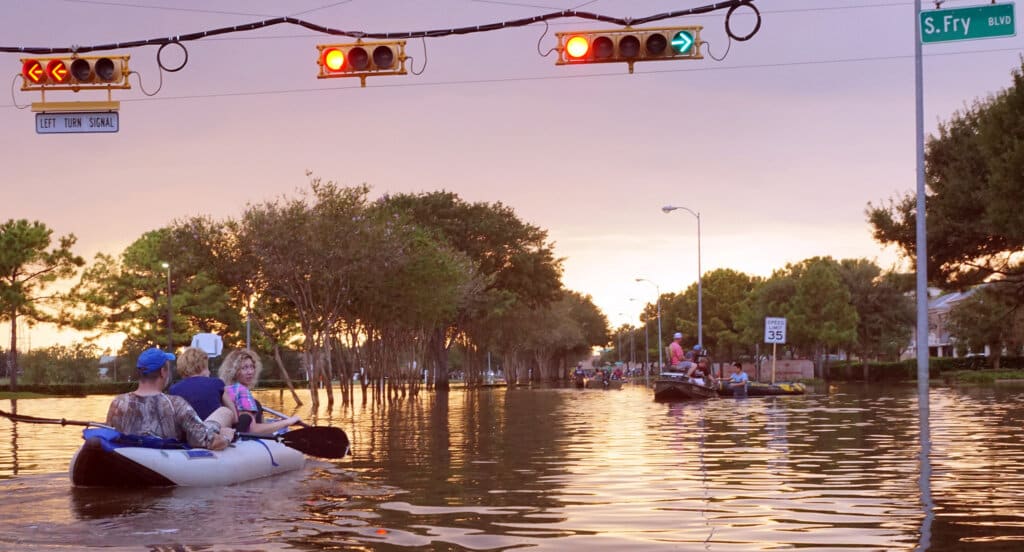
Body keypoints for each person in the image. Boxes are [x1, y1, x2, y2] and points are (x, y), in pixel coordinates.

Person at [106, 347, 235, 450]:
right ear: (163, 372)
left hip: (134, 454)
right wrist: (225, 437)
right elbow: (209, 441)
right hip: (167, 461)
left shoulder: (118, 403)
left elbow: (109, 435)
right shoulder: (176, 404)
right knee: (225, 412)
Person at [219, 349, 302, 434]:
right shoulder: (241, 390)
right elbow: (252, 429)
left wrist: (278, 423)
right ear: (234, 371)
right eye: (244, 368)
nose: (250, 372)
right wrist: (288, 422)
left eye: (252, 367)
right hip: (247, 440)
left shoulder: (226, 389)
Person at [169, 346, 238, 426]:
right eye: (207, 367)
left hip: (186, 435)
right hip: (213, 435)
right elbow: (234, 418)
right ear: (203, 366)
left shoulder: (174, 390)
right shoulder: (217, 383)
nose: (209, 372)